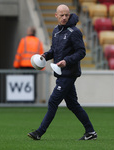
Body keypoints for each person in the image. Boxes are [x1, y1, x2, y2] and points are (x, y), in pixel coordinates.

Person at [27, 4, 97, 140]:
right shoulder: (56, 31)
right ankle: (91, 132)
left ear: (69, 15)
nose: (64, 17)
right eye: (62, 15)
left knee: (53, 101)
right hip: (61, 73)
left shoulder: (74, 31)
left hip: (69, 73)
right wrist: (45, 56)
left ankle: (39, 132)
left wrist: (67, 61)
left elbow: (81, 52)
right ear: (56, 16)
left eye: (67, 15)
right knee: (73, 105)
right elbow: (54, 50)